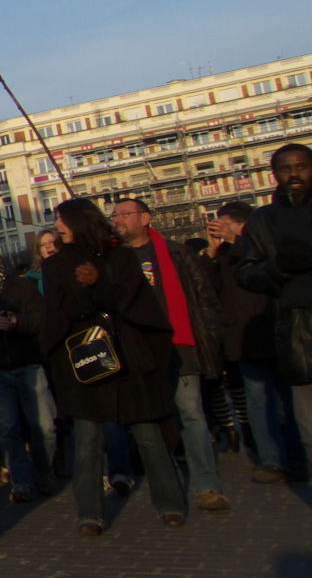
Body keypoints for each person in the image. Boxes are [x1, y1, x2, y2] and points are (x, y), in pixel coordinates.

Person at [40, 198, 187, 535]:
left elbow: (131, 300)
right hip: (86, 361)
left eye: (61, 219)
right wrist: (84, 289)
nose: (57, 226)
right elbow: (60, 313)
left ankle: (170, 502)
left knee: (149, 434)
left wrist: (100, 283)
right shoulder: (55, 265)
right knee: (88, 440)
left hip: (128, 356)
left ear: (78, 222)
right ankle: (89, 512)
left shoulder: (120, 256)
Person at [111, 196, 231, 511]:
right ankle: (169, 483)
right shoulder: (113, 259)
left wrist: (213, 338)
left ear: (145, 218)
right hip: (140, 350)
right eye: (115, 215)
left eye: (125, 213)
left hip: (180, 342)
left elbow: (204, 296)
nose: (119, 220)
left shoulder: (176, 252)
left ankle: (207, 484)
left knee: (191, 414)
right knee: (155, 419)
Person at [235, 143, 312, 480]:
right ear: (275, 174)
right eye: (286, 169)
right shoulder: (262, 220)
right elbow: (246, 273)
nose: (294, 174)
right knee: (309, 422)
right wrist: (278, 267)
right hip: (297, 328)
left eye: (301, 166)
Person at [0, 236, 54, 503]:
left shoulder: (22, 285)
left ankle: (45, 472)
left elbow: (41, 319)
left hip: (27, 362)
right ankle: (21, 481)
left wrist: (18, 321)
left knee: (44, 426)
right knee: (8, 428)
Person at [211, 201, 292, 484]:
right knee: (258, 401)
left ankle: (295, 457)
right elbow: (212, 290)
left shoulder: (262, 242)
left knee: (287, 401)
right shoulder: (221, 253)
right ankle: (271, 460)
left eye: (224, 223)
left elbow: (266, 272)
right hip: (243, 336)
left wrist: (236, 242)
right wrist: (211, 252)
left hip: (274, 330)